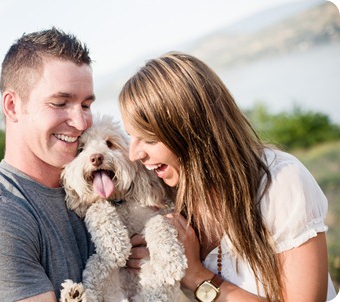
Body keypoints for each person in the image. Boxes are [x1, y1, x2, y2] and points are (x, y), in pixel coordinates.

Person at [120, 52, 337, 301]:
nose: (134, 154)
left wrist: (196, 276)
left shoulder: (280, 183)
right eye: (130, 136)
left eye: (148, 139)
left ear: (192, 131)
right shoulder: (165, 198)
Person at [0, 27, 96, 302]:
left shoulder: (93, 184)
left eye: (86, 105)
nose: (81, 122)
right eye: (60, 103)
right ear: (13, 106)